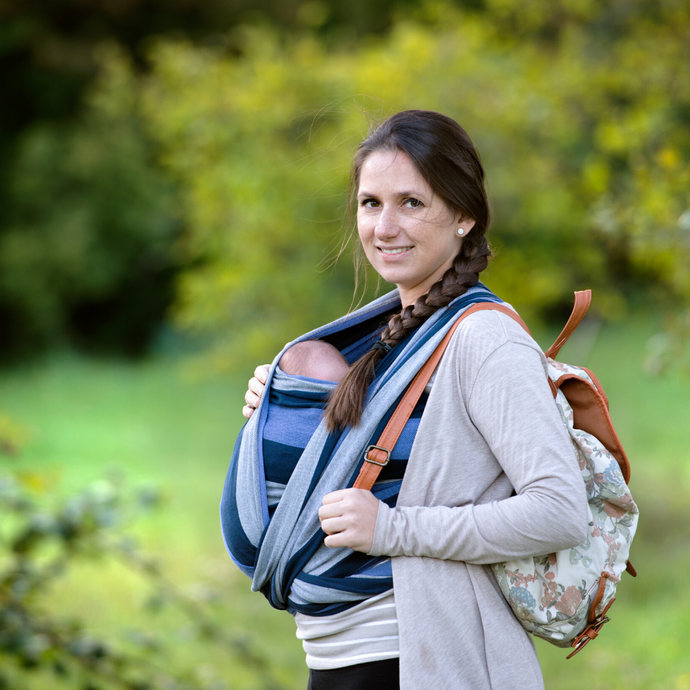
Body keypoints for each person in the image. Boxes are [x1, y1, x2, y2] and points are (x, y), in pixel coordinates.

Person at [224, 110, 589, 690]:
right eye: (371, 203)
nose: (385, 227)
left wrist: (395, 529)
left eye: (411, 203)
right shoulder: (391, 332)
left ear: (464, 215)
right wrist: (283, 410)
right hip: (340, 660)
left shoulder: (485, 339)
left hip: (429, 659)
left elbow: (560, 509)